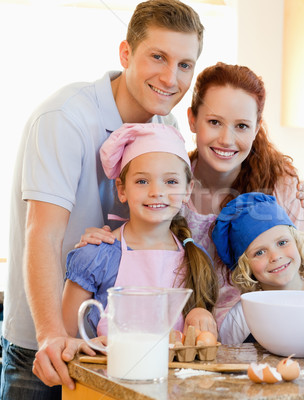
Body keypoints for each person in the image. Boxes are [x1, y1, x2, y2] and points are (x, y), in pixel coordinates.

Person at [2, 1, 205, 396]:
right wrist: (51, 336)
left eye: (185, 65)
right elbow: (42, 235)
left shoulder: (166, 123)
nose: (170, 77)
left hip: (115, 350)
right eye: (158, 57)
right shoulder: (65, 118)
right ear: (126, 53)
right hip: (45, 345)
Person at [79, 62, 304, 332]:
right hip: (182, 335)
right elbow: (134, 244)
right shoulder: (167, 184)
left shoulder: (281, 186)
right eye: (214, 122)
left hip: (265, 330)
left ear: (256, 129)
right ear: (192, 120)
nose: (227, 139)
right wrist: (101, 240)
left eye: (242, 126)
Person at [62, 123, 218, 341]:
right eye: (142, 181)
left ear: (187, 190)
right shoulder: (96, 256)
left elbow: (201, 343)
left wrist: (199, 313)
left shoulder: (195, 259)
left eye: (171, 181)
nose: (156, 192)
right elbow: (64, 340)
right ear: (122, 189)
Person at [212, 193, 304, 344]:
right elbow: (227, 362)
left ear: (298, 243)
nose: (275, 256)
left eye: (282, 243)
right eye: (260, 252)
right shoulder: (242, 316)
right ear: (245, 267)